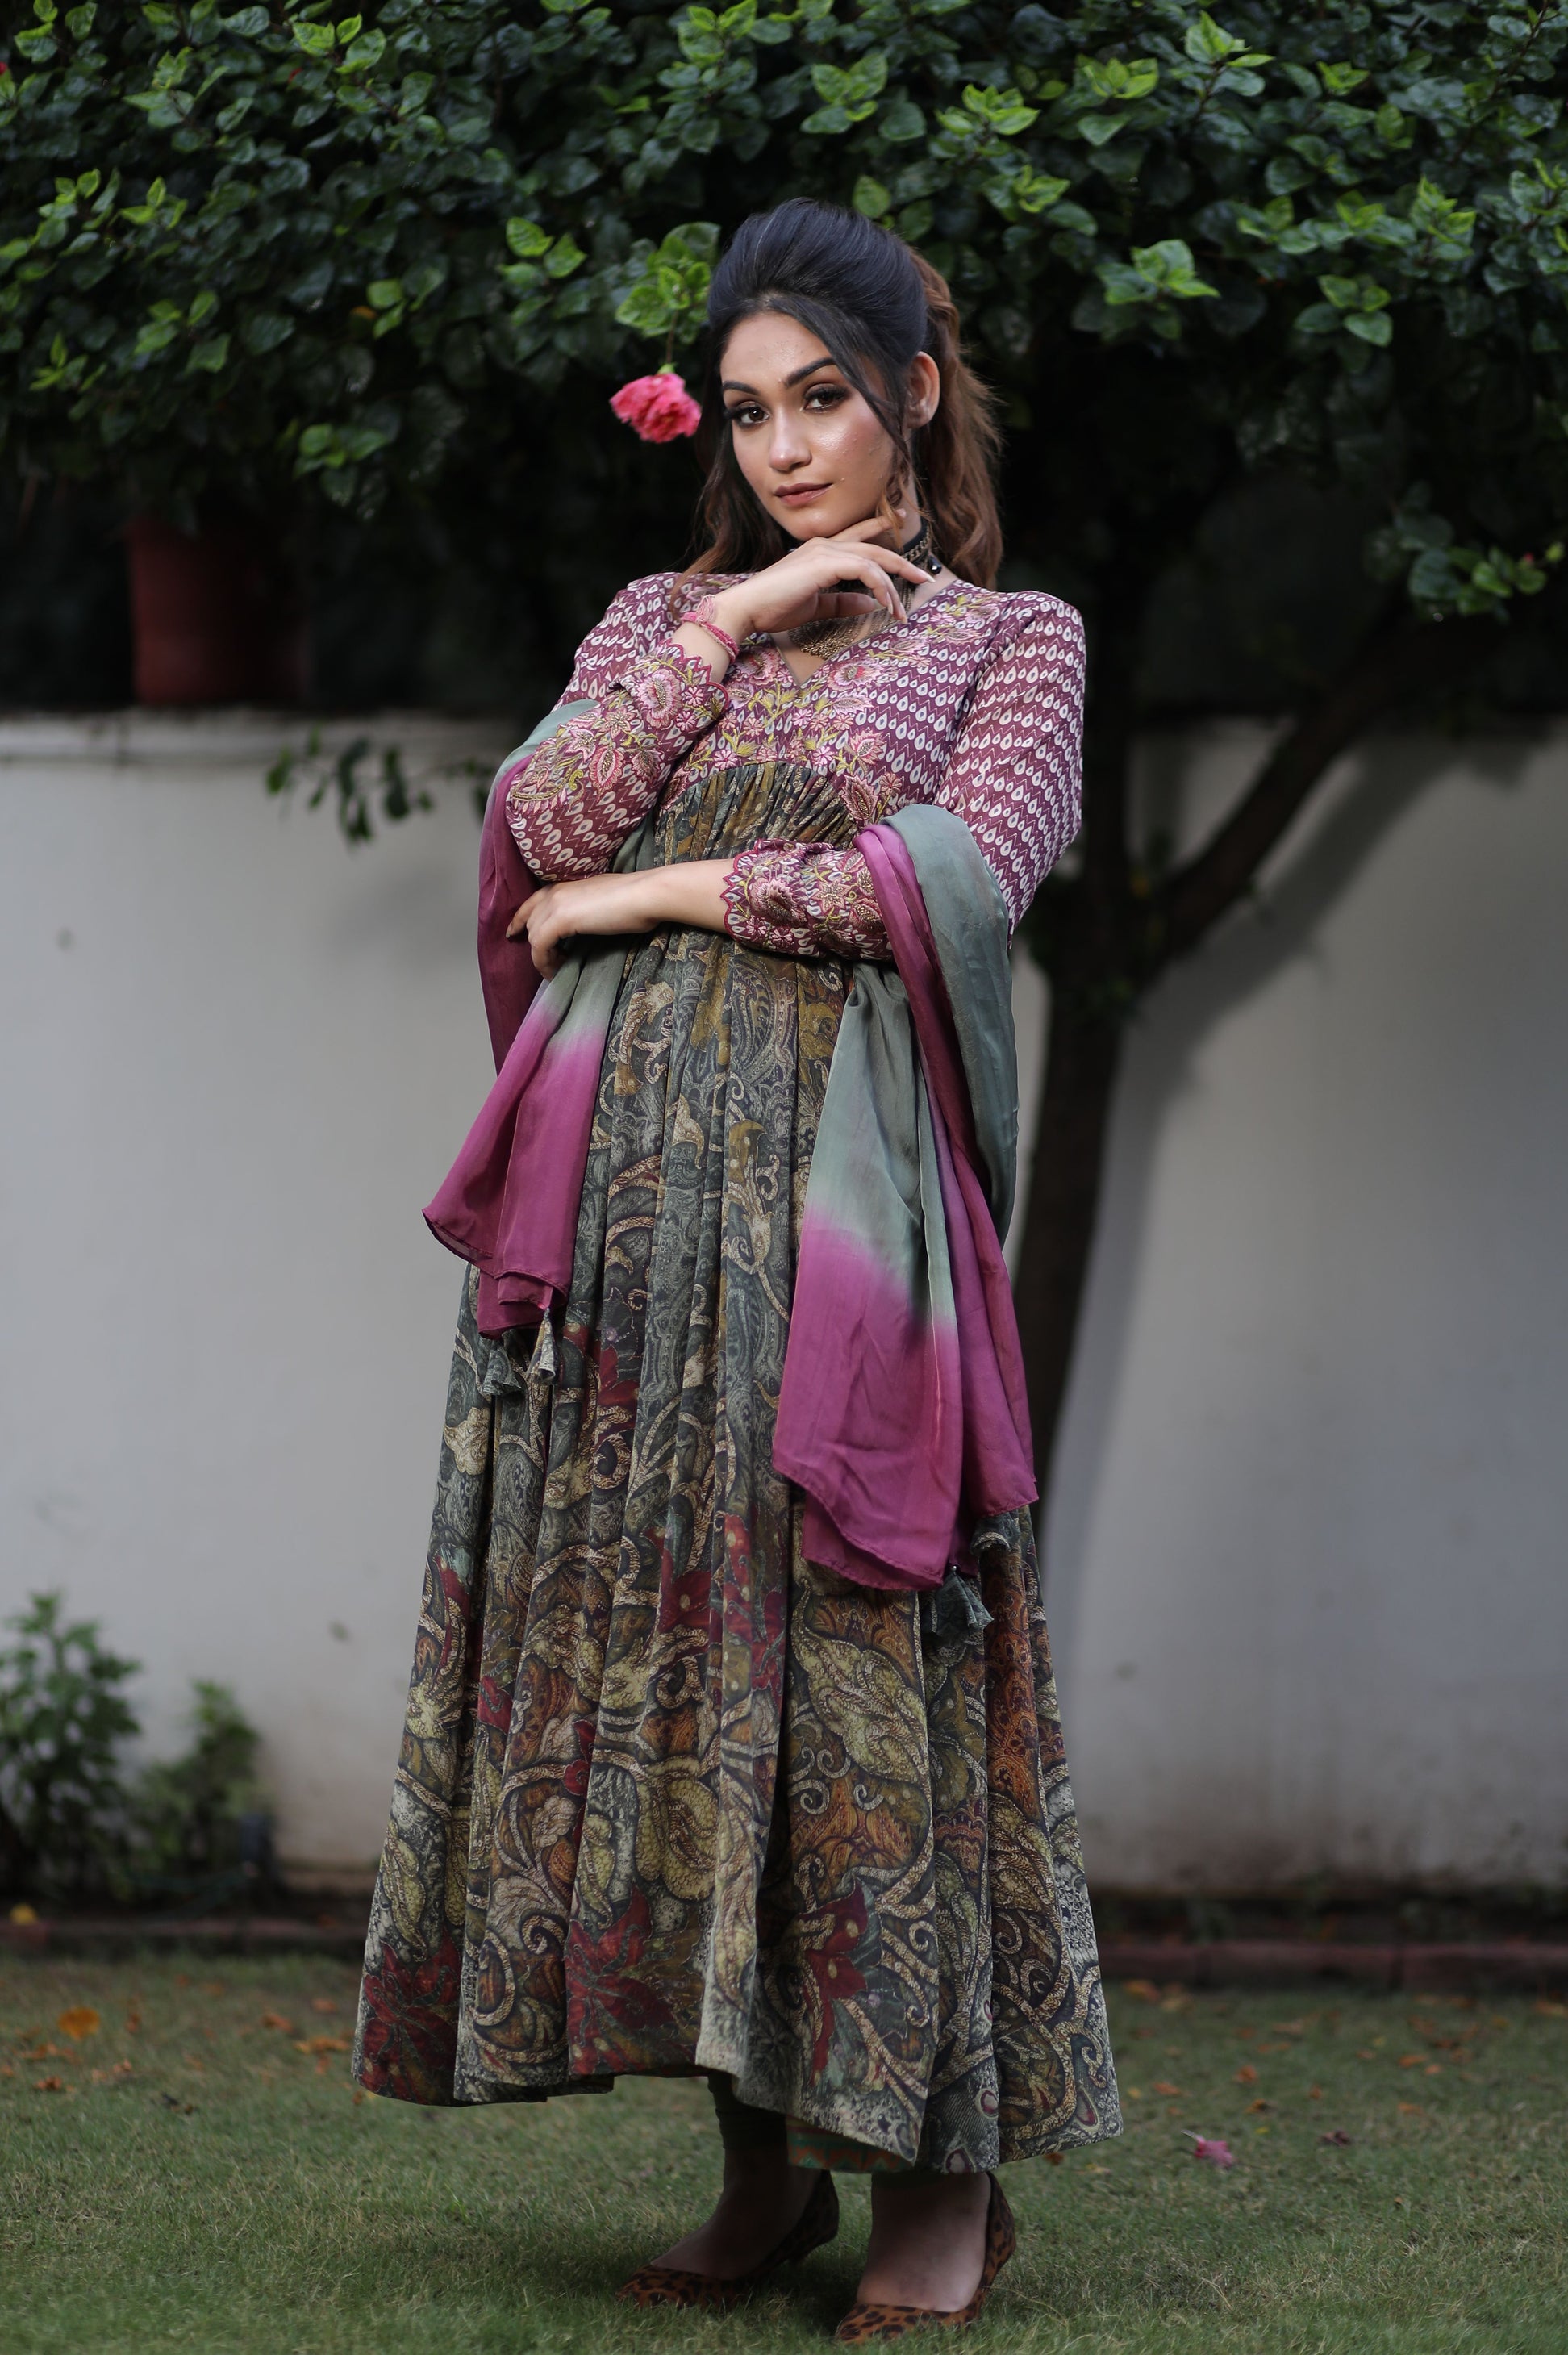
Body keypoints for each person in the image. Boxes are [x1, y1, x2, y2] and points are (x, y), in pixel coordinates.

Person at [352, 197, 1119, 2338]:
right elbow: (540, 819)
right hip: (620, 1239)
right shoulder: (659, 618)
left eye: (825, 404)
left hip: (848, 1235)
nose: (786, 448)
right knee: (687, 1680)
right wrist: (743, 617)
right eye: (753, 412)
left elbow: (944, 883)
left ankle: (944, 2188)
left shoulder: (1014, 646)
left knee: (865, 1668)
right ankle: (758, 2173)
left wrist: (648, 899)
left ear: (915, 398)